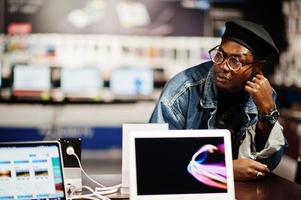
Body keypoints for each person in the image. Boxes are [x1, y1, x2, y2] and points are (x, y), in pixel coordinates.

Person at [149, 20, 287, 181]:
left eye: (235, 61)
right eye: (220, 55)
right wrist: (224, 169)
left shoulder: (263, 95)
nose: (222, 66)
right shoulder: (183, 90)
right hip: (187, 188)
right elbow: (153, 157)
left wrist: (268, 112)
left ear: (257, 67)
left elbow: (267, 164)